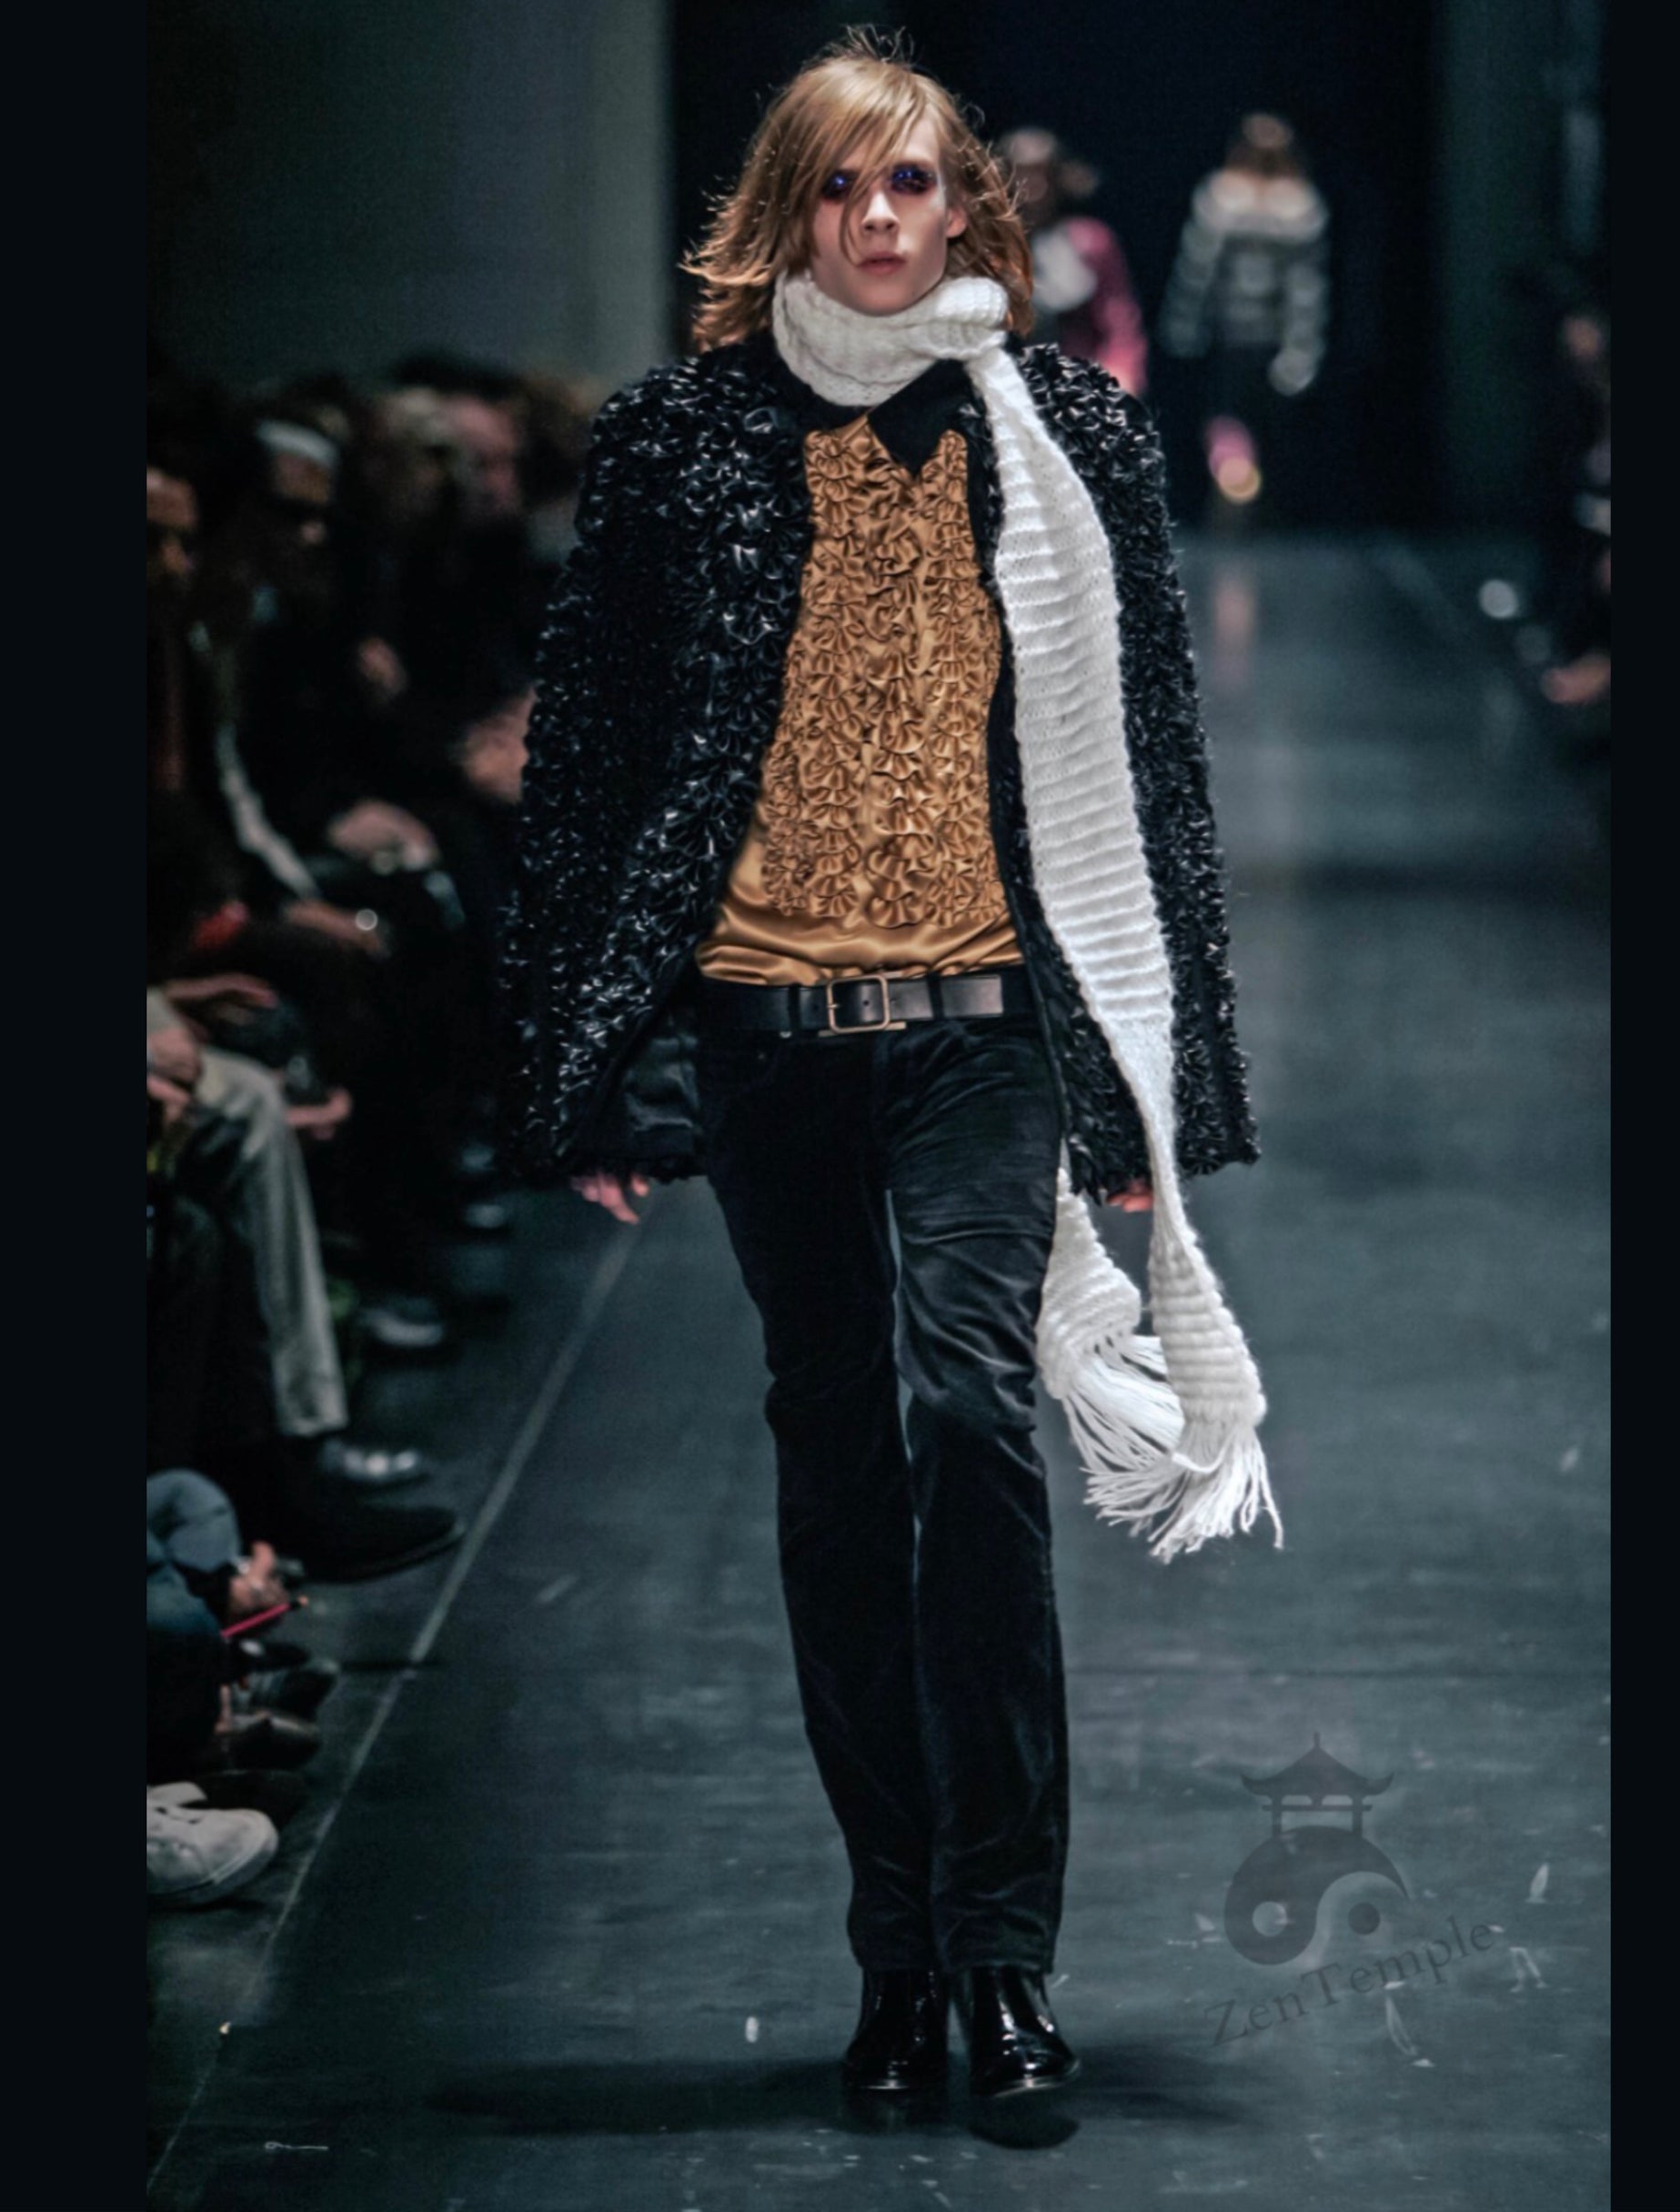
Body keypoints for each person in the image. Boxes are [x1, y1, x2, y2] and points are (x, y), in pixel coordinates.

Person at [504, 30, 1274, 2105]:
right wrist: (586, 1065)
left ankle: (1005, 1956)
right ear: (789, 209)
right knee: (839, 1465)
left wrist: (1155, 1096)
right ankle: (897, 1946)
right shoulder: (676, 441)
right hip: (764, 1035)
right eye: (839, 184)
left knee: (966, 1418)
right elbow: (592, 762)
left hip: (982, 1025)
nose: (875, 217)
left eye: (911, 181)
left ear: (964, 209)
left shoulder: (1070, 433)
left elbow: (1152, 772)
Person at [1157, 113, 1329, 518]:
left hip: (1270, 335)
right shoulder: (1224, 196)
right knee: (1229, 416)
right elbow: (1197, 269)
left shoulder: (1297, 202)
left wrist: (1301, 348)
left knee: (1268, 422)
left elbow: (1306, 287)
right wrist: (1185, 322)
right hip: (1229, 333)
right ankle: (1237, 481)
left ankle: (1263, 498)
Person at [996, 126, 1149, 397]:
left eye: (1043, 174)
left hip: (1076, 385)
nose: (1034, 188)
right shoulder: (987, 247)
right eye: (1023, 174)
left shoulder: (1091, 242)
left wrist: (1121, 373)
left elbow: (1119, 323)